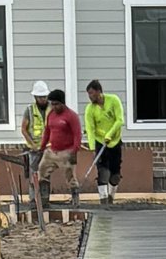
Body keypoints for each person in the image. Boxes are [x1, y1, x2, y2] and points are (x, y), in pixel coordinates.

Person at [38, 85, 83, 221]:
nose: (54, 107)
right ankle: (44, 200)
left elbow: (77, 134)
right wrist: (42, 147)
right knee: (42, 172)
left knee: (70, 176)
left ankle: (75, 200)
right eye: (52, 104)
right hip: (52, 151)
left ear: (62, 103)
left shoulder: (71, 116)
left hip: (66, 151)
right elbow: (47, 131)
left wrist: (74, 151)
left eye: (56, 104)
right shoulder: (51, 115)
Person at [80, 76, 126, 203]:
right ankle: (103, 199)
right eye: (88, 94)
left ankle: (111, 196)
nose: (90, 97)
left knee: (115, 174)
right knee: (103, 172)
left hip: (114, 142)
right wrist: (92, 148)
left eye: (91, 93)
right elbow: (90, 128)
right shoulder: (90, 109)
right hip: (100, 142)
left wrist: (110, 135)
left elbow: (119, 120)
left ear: (99, 92)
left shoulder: (113, 100)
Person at [13, 85, 50, 213]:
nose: (43, 100)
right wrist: (32, 145)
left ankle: (45, 201)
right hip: (34, 149)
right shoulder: (29, 110)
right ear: (35, 97)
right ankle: (34, 201)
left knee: (45, 174)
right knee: (34, 174)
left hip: (48, 148)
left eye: (45, 97)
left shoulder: (52, 109)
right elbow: (24, 129)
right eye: (40, 97)